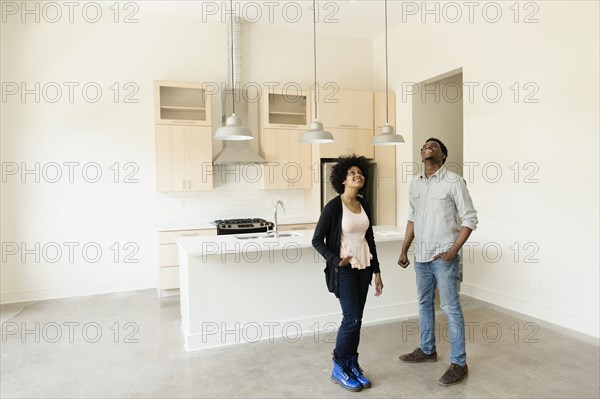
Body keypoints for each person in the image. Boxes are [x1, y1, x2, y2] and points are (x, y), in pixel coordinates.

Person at [397, 138, 478, 386]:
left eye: (434, 145)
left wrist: (453, 250)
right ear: (421, 154)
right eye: (424, 145)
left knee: (451, 308)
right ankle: (427, 350)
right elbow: (412, 218)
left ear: (443, 154)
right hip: (420, 256)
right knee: (424, 304)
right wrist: (404, 249)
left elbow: (470, 219)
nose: (428, 147)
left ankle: (459, 363)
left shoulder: (454, 181)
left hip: (443, 257)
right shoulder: (415, 183)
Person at [312, 155, 384, 392]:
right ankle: (338, 365)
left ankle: (352, 363)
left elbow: (369, 239)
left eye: (360, 173)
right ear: (343, 179)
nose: (357, 176)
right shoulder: (333, 207)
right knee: (350, 319)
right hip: (344, 270)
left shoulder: (364, 205)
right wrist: (335, 260)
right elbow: (317, 240)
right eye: (352, 172)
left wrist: (377, 272)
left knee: (357, 320)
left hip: (364, 268)